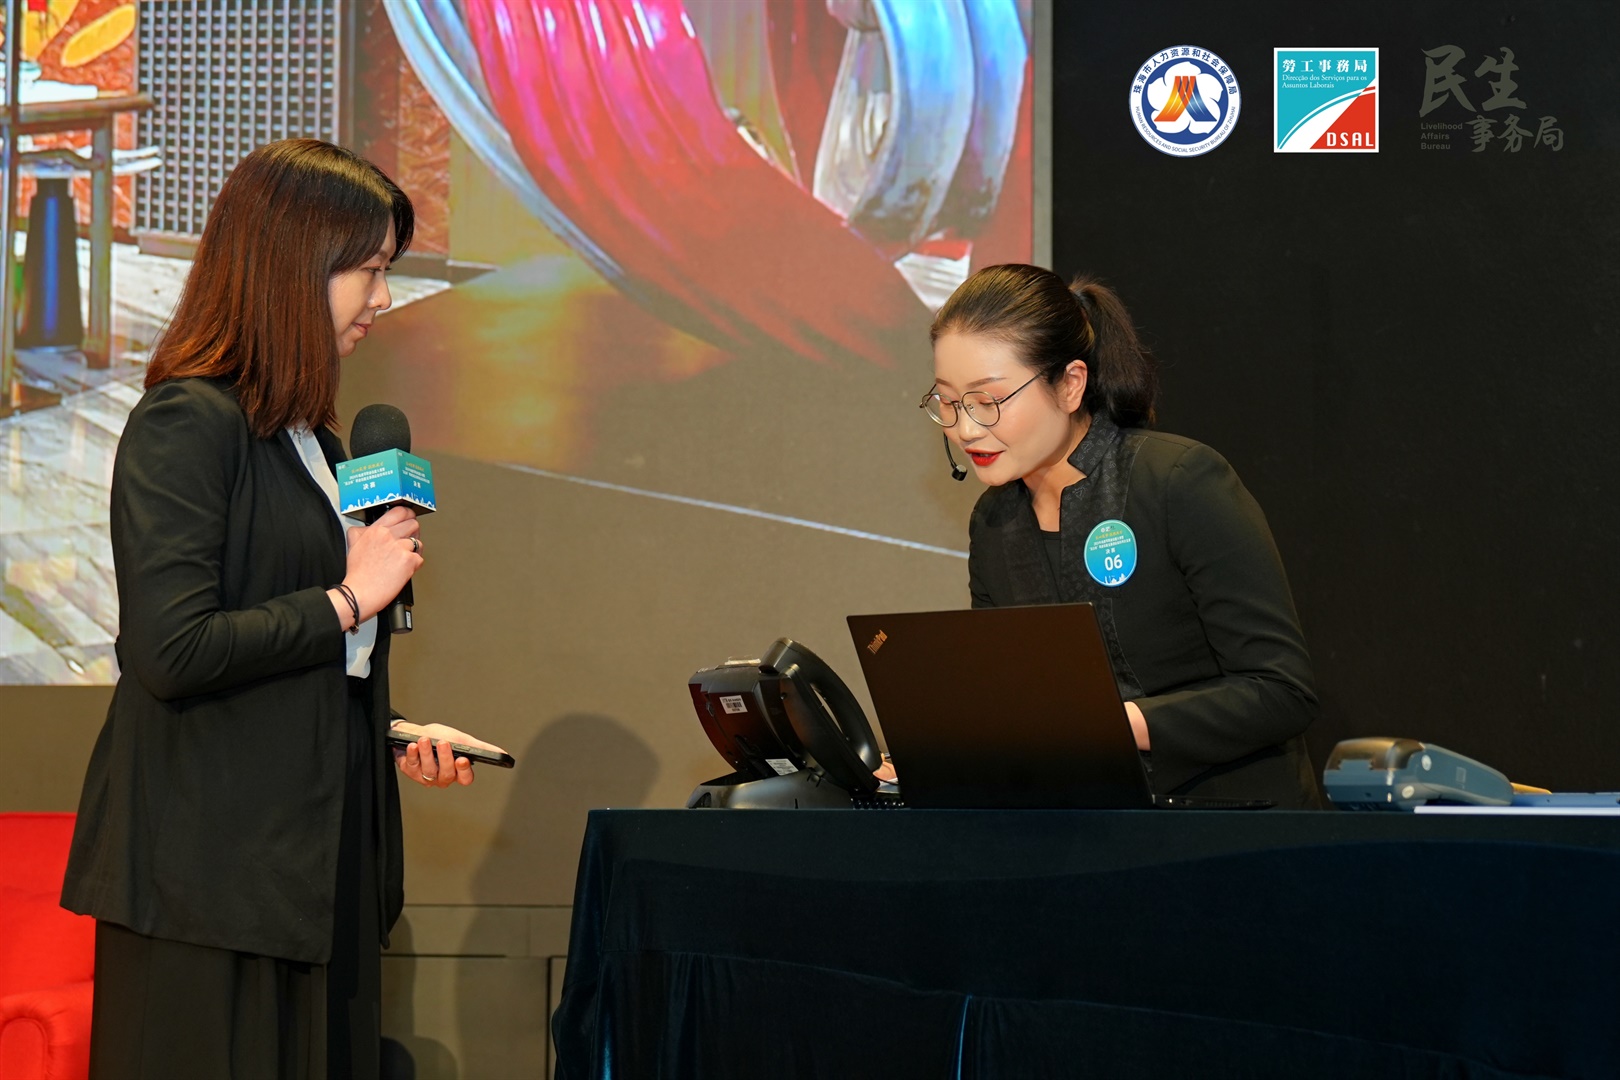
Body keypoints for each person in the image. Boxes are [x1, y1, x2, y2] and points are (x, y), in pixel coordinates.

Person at [60, 139, 483, 1079]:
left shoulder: (314, 443)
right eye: (370, 270)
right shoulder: (186, 422)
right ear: (293, 267)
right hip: (210, 881)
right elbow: (173, 649)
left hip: (314, 869)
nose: (384, 298)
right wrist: (349, 597)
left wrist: (387, 731)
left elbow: (288, 655)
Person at [907, 263, 1321, 807]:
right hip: (1090, 829)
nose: (965, 429)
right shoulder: (994, 521)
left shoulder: (1176, 482)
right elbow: (1016, 702)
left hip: (1233, 828)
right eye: (949, 402)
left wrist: (1116, 725)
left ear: (1070, 384)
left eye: (989, 402)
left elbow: (1282, 691)